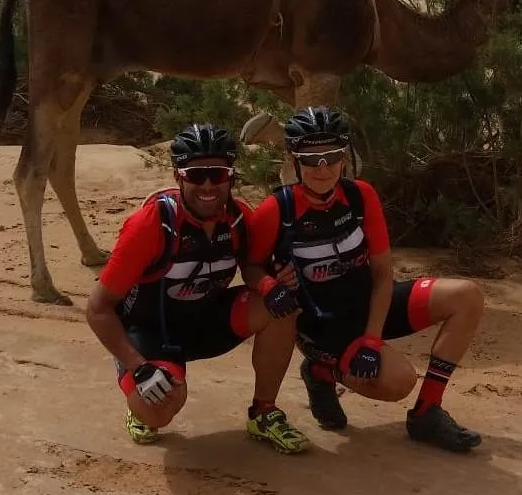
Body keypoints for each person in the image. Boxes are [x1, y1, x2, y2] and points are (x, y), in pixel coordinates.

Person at [243, 106, 486, 452]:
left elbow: (384, 274)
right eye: (311, 159)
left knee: (467, 295)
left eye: (331, 156)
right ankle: (322, 372)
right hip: (325, 325)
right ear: (294, 161)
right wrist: (268, 284)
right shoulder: (276, 209)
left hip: (371, 304)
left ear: (344, 156)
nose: (322, 168)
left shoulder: (360, 195)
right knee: (399, 380)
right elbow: (250, 265)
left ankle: (427, 412)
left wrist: (372, 340)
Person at [85, 123, 310, 454]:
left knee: (279, 305)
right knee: (159, 410)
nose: (207, 185)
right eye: (196, 174)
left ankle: (264, 413)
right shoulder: (151, 225)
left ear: (231, 176)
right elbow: (97, 309)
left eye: (217, 175)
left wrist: (271, 282)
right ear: (178, 176)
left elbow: (252, 266)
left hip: (206, 321)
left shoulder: (238, 219)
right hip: (151, 331)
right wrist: (138, 366)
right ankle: (141, 401)